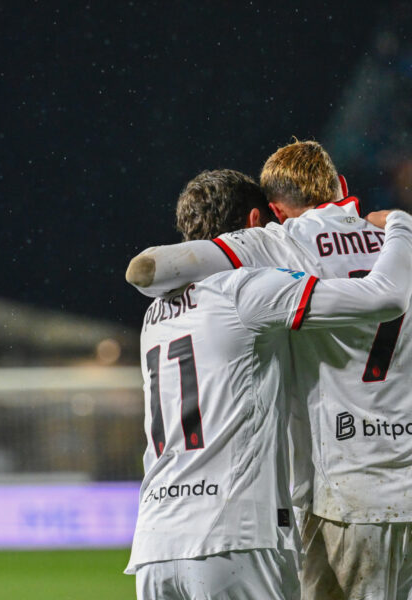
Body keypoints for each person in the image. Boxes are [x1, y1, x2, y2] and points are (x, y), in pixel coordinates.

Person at [127, 141, 412, 599]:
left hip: (163, 534)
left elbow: (146, 269)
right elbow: (382, 296)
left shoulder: (158, 316)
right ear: (340, 185)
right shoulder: (390, 248)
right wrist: (401, 223)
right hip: (248, 525)